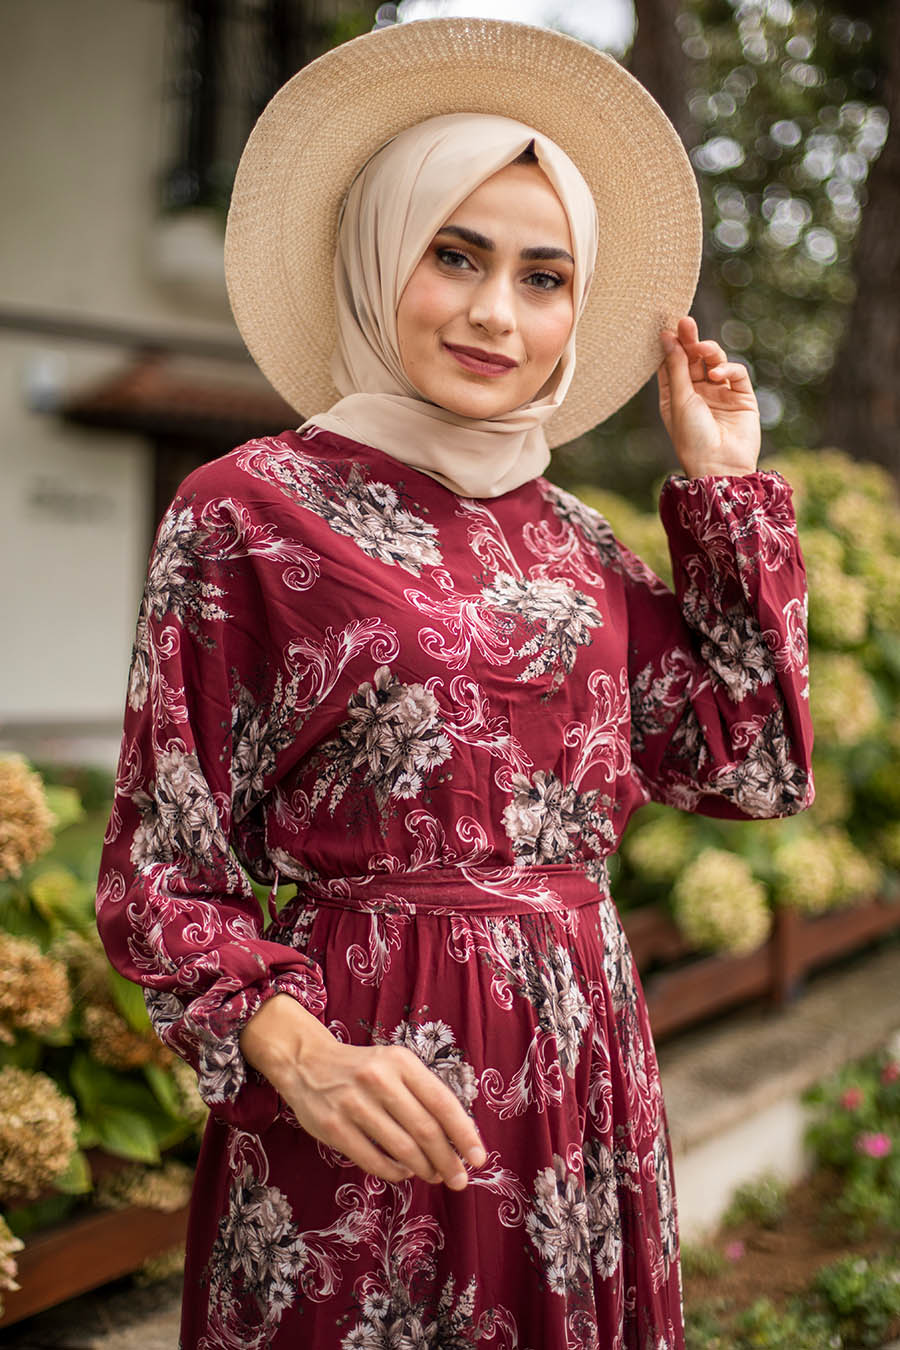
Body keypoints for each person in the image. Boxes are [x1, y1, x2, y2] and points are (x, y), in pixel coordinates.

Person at [96, 17, 814, 1349]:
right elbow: (163, 866)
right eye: (456, 254)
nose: (497, 312)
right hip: (367, 1081)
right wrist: (297, 1054)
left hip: (581, 1082)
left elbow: (749, 763)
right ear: (381, 256)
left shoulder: (580, 546)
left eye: (545, 277)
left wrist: (723, 488)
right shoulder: (248, 510)